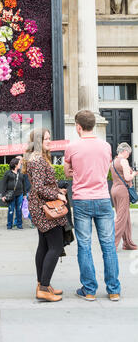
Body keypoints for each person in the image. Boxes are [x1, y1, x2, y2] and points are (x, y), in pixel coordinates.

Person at [64, 110, 121, 302]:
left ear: (78, 127)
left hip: (82, 200)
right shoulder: (106, 146)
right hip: (103, 198)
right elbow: (105, 169)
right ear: (93, 125)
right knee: (108, 246)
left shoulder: (72, 147)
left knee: (85, 245)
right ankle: (114, 290)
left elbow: (67, 172)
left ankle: (89, 290)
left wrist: (77, 172)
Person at [23, 128, 67, 302]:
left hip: (40, 207)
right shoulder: (39, 161)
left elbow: (42, 185)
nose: (49, 141)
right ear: (37, 143)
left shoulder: (36, 159)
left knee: (44, 245)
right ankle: (43, 288)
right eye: (45, 139)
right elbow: (40, 187)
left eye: (49, 138)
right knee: (55, 247)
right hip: (45, 208)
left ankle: (43, 284)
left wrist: (57, 189)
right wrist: (57, 195)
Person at [111, 142, 138, 251]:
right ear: (125, 151)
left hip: (114, 189)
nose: (129, 155)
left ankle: (128, 243)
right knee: (121, 218)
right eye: (129, 153)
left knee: (125, 217)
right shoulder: (124, 161)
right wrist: (134, 174)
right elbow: (127, 178)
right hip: (122, 190)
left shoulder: (113, 162)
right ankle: (112, 244)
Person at [1, 157, 26, 229]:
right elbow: (4, 184)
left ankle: (19, 225)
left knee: (19, 209)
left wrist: (24, 194)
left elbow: (23, 184)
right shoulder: (8, 173)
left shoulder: (21, 173)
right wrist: (3, 195)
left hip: (20, 194)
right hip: (11, 194)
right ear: (15, 164)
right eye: (19, 163)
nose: (20, 165)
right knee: (11, 209)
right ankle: (9, 225)